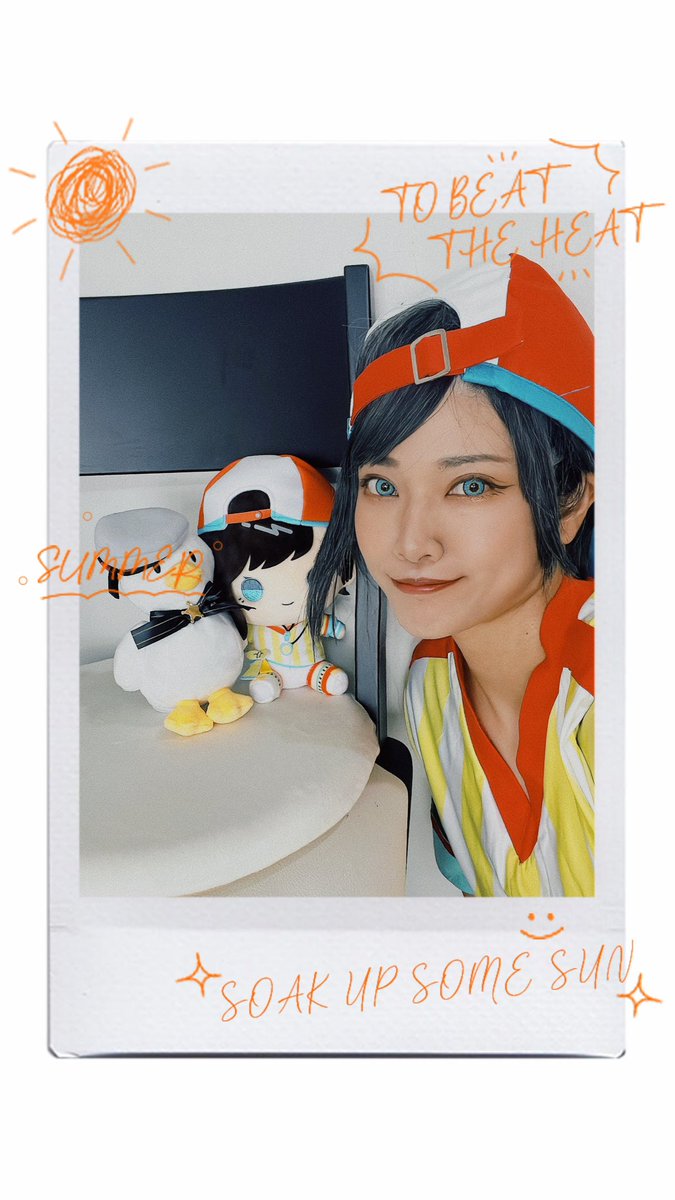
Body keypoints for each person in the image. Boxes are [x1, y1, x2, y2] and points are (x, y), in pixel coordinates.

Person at [308, 254, 595, 897]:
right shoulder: (430, 687)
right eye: (382, 486)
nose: (412, 543)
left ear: (570, 499)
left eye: (470, 485)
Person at [199, 454, 349, 703]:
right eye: (252, 588)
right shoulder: (244, 627)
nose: (287, 596)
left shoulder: (311, 617)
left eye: (311, 578)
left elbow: (331, 627)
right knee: (266, 681)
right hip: (269, 669)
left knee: (329, 677)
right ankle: (270, 682)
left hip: (311, 665)